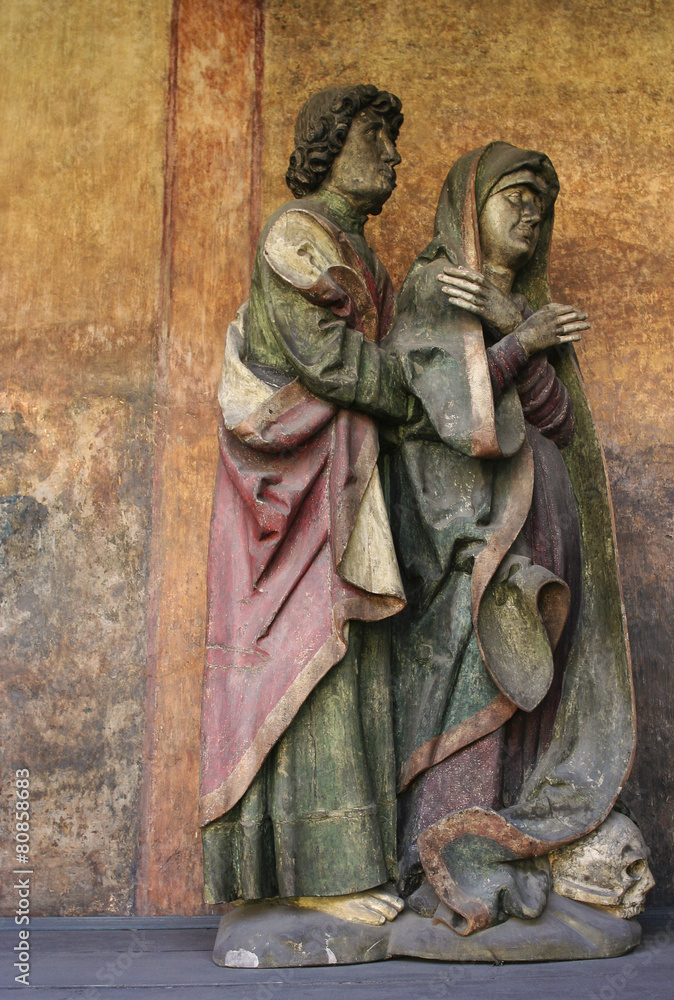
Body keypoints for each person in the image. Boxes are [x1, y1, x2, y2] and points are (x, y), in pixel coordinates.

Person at [382, 142, 636, 935]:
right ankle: (447, 854)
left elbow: (557, 422)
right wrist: (517, 336)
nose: (530, 213)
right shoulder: (435, 288)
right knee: (471, 684)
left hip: (539, 525)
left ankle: (508, 839)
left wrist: (522, 335)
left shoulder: (526, 303)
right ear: (469, 206)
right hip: (465, 539)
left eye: (540, 204)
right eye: (513, 196)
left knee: (532, 698)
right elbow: (435, 416)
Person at [199, 85, 413, 926]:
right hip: (287, 498)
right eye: (375, 136)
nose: (391, 155)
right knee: (304, 664)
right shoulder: (296, 234)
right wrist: (425, 387)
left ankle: (348, 857)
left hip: (345, 488)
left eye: (394, 139)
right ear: (325, 145)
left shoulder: (367, 259)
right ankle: (311, 869)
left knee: (352, 666)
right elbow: (328, 362)